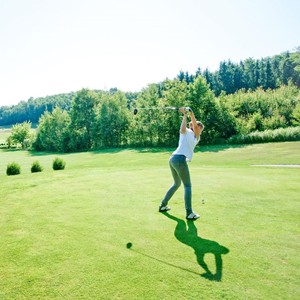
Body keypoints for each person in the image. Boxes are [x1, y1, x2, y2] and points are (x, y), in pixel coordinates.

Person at [159, 107, 204, 220]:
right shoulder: (186, 132)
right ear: (196, 127)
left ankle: (163, 205)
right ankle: (189, 213)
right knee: (187, 186)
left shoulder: (196, 136)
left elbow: (194, 125)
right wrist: (185, 114)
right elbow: (182, 129)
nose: (201, 130)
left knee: (177, 184)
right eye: (200, 128)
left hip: (173, 159)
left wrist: (190, 113)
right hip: (178, 159)